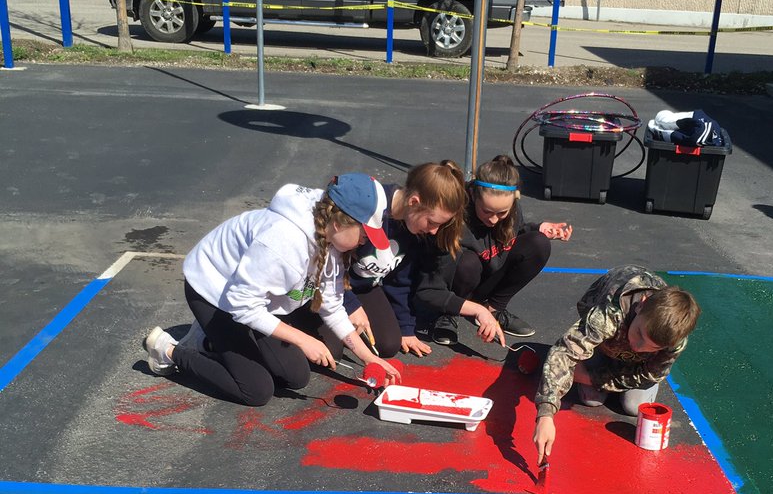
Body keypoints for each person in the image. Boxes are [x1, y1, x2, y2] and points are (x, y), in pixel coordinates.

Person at [141, 174, 401, 407]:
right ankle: (169, 350)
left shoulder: (333, 243)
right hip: (214, 292)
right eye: (365, 232)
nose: (366, 240)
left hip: (257, 301)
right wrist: (302, 339)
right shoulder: (283, 242)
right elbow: (242, 305)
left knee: (296, 377)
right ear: (339, 223)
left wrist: (369, 358)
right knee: (255, 390)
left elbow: (332, 305)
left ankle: (209, 341)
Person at [533, 265, 701, 463]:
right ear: (641, 305)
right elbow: (563, 353)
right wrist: (546, 413)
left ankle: (595, 376)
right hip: (606, 342)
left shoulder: (674, 342)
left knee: (634, 405)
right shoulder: (609, 314)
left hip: (632, 362)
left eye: (652, 347)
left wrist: (591, 377)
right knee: (591, 400)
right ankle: (600, 366)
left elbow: (650, 375)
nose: (638, 347)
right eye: (639, 334)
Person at [415, 154, 572, 347]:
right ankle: (448, 313)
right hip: (456, 280)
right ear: (473, 196)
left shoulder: (511, 209)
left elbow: (516, 230)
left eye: (502, 213)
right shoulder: (455, 216)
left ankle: (493, 308)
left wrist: (537, 228)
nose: (494, 220)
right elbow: (431, 281)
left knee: (539, 244)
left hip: (488, 275)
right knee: (468, 263)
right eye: (487, 212)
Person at [340, 160, 482, 359]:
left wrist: (406, 328)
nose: (434, 231)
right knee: (332, 350)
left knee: (389, 344)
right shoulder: (370, 210)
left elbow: (401, 280)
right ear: (414, 202)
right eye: (432, 222)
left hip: (365, 286)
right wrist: (350, 305)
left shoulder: (412, 227)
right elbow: (330, 265)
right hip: (337, 285)